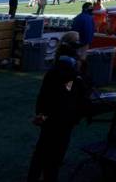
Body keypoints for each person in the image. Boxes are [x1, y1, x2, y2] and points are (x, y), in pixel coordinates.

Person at [27, 34, 89, 182]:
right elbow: (69, 93)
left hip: (53, 117)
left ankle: (36, 176)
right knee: (53, 154)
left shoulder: (58, 71)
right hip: (60, 118)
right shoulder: (69, 75)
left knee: (43, 152)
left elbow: (46, 95)